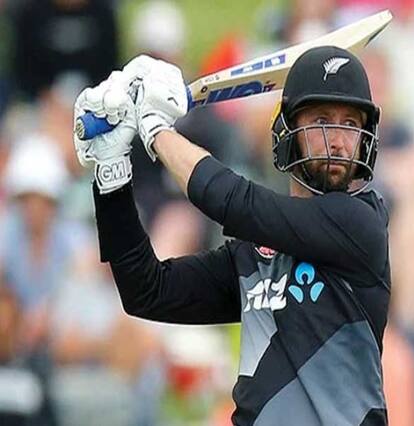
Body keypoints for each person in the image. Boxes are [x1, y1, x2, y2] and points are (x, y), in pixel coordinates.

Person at [73, 47, 391, 425]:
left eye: (350, 124)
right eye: (322, 120)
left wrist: (155, 129)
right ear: (288, 131)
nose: (338, 141)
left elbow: (233, 202)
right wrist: (112, 173)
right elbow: (147, 291)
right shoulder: (255, 256)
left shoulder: (361, 224)